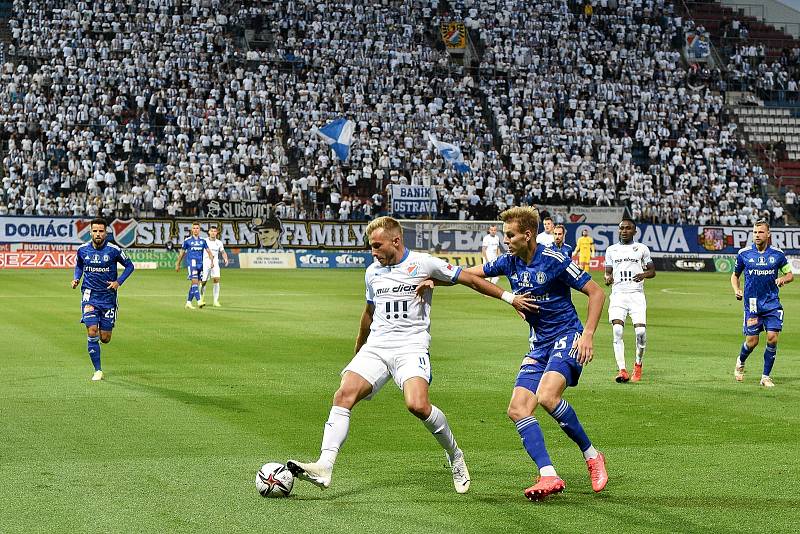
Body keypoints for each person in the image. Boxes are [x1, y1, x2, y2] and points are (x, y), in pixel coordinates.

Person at [286, 216, 536, 494]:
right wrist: (359, 349)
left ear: (395, 241)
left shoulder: (423, 263)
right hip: (377, 348)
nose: (373, 251)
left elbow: (470, 280)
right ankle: (325, 465)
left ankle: (455, 455)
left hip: (411, 347)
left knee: (417, 405)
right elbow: (369, 312)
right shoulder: (372, 272)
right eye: (371, 246)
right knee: (343, 394)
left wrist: (510, 298)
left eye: (377, 245)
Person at [463, 207, 608, 500]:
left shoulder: (554, 260)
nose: (506, 240)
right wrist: (431, 279)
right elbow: (468, 275)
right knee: (517, 409)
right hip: (540, 344)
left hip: (568, 336)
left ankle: (592, 456)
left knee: (547, 396)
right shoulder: (509, 262)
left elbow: (596, 292)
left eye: (510, 235)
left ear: (527, 235)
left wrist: (588, 335)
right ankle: (548, 475)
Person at [71, 218, 135, 381]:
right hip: (89, 296)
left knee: (105, 338)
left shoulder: (113, 250)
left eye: (101, 231)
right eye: (95, 231)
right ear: (90, 232)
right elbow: (79, 265)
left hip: (108, 298)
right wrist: (76, 278)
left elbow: (130, 266)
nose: (98, 234)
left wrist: (118, 282)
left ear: (106, 232)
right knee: (92, 330)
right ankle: (98, 370)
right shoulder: (83, 250)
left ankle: (100, 336)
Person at [731, 220, 793, 387]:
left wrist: (783, 279)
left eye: (760, 232)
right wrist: (737, 289)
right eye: (755, 232)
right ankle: (741, 360)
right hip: (752, 305)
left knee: (772, 338)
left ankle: (765, 377)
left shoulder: (777, 254)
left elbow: (790, 274)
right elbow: (735, 275)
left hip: (772, 303)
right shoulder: (744, 253)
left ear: (768, 234)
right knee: (752, 342)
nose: (757, 235)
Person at [603, 219, 656, 383]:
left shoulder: (641, 249)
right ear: (618, 231)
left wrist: (643, 275)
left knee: (640, 333)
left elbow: (652, 271)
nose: (624, 231)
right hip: (618, 295)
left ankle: (638, 365)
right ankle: (622, 370)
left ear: (634, 231)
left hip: (636, 295)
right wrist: (607, 278)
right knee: (617, 331)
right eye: (622, 228)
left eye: (628, 228)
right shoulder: (611, 250)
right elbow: (607, 272)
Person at [175, 222, 213, 309]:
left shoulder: (203, 241)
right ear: (192, 230)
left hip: (201, 265)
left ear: (199, 230)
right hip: (192, 264)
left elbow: (209, 252)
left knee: (194, 284)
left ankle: (188, 302)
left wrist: (211, 261)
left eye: (197, 228)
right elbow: (181, 253)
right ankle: (199, 301)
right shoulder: (187, 241)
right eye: (194, 228)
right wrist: (178, 264)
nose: (196, 230)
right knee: (195, 282)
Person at [199, 225, 229, 308]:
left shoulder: (219, 242)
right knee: (203, 281)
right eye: (211, 231)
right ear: (208, 232)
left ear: (217, 232)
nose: (213, 233)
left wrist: (226, 259)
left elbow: (223, 252)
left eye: (214, 231)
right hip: (205, 263)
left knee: (216, 279)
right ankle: (201, 298)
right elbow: (199, 251)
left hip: (215, 263)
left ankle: (215, 301)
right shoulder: (204, 241)